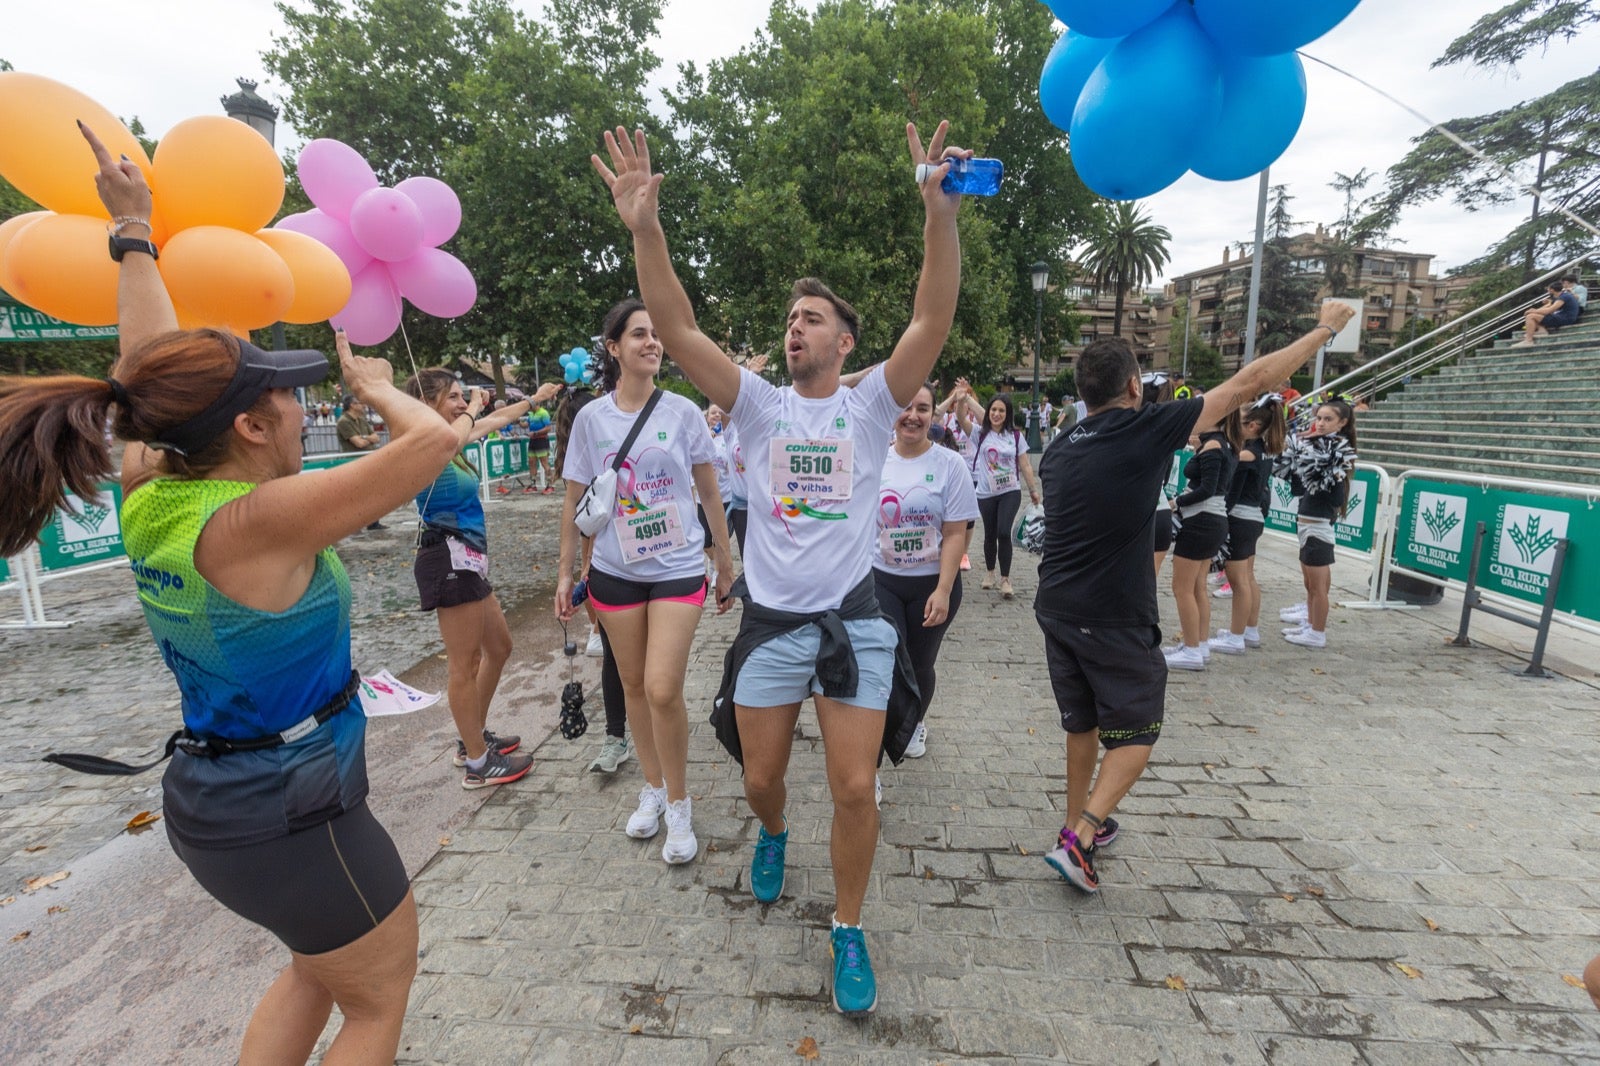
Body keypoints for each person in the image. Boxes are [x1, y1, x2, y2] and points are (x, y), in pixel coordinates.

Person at [0, 126, 467, 1063]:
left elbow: (144, 372)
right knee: (375, 1002)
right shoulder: (259, 522)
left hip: (221, 802)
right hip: (296, 808)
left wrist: (133, 234)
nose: (305, 407)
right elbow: (433, 447)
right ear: (254, 426)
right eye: (290, 397)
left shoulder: (152, 491)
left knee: (312, 971)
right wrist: (377, 389)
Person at [593, 119, 963, 1016]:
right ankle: (771, 832)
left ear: (843, 341)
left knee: (853, 784)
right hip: (771, 624)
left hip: (857, 621)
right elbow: (675, 326)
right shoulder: (755, 405)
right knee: (761, 779)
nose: (795, 328)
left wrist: (938, 213)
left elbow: (933, 313)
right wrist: (646, 229)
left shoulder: (874, 403)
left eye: (812, 319)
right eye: (790, 319)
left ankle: (846, 927)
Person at [1034, 301, 1355, 895]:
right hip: (1113, 613)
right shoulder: (1143, 426)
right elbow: (1252, 383)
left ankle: (1074, 825)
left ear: (1082, 390)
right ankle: (1079, 839)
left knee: (1080, 723)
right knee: (1137, 733)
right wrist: (1326, 328)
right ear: (1134, 386)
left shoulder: (1059, 445)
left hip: (1056, 606)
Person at [555, 298, 735, 865]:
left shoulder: (682, 413)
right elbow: (574, 501)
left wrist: (725, 562)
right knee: (632, 685)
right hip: (614, 571)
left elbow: (710, 493)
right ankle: (653, 788)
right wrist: (566, 572)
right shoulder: (590, 419)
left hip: (679, 567)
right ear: (613, 348)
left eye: (656, 335)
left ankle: (680, 804)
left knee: (662, 687)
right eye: (639, 335)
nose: (652, 343)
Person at [404, 372, 561, 788]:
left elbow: (494, 420)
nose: (461, 402)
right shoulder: (424, 440)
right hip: (446, 555)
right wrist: (474, 406)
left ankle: (472, 737)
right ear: (426, 402)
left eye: (462, 396)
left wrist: (534, 400)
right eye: (452, 397)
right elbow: (469, 427)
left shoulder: (454, 438)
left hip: (469, 557)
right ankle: (477, 763)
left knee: (499, 646)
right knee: (465, 662)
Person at [873, 383, 978, 761]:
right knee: (886, 661)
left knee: (919, 664)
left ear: (934, 414)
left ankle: (914, 722)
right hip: (882, 579)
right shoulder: (875, 460)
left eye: (923, 408)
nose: (913, 416)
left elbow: (955, 533)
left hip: (933, 583)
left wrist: (944, 589)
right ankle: (877, 750)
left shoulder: (950, 465)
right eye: (906, 407)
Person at [554, 388, 634, 768]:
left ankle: (634, 732)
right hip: (609, 566)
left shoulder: (635, 426)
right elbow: (584, 511)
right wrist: (577, 570)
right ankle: (616, 735)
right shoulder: (588, 440)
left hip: (651, 567)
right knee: (617, 660)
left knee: (643, 667)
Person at [1208, 395, 1285, 655]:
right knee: (1248, 578)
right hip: (1252, 517)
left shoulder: (1247, 454)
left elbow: (1232, 493)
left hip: (1241, 518)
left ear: (1253, 426)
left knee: (1238, 579)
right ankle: (1248, 630)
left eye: (1239, 421)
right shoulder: (1261, 451)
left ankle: (1236, 636)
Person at [1278, 399, 1357, 649]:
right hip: (1307, 524)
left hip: (1318, 526)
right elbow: (1298, 485)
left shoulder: (1337, 453)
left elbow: (1335, 496)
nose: (1320, 423)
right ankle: (1311, 623)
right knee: (1310, 584)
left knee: (1318, 587)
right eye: (1318, 418)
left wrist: (1318, 470)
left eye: (1327, 419)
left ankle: (1317, 632)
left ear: (1342, 423)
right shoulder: (1318, 448)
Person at [1165, 419, 1236, 671]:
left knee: (1182, 588)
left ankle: (1193, 649)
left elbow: (1207, 489)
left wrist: (1176, 503)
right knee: (1197, 588)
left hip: (1202, 522)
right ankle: (1198, 644)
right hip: (1208, 521)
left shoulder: (1214, 445)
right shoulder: (1218, 444)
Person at [967, 392, 1039, 599]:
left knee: (1004, 532)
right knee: (990, 533)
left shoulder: (1015, 436)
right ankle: (990, 573)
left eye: (1001, 411)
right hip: (986, 492)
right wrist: (965, 399)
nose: (997, 414)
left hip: (1010, 491)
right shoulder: (981, 433)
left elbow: (1024, 464)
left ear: (1007, 414)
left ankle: (1005, 578)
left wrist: (1033, 489)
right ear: (988, 412)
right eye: (993, 410)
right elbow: (963, 418)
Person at [337, 394, 387, 530]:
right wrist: (366, 438)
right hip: (354, 463)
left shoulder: (362, 420)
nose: (364, 406)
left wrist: (365, 437)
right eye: (360, 403)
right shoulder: (344, 421)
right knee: (356, 495)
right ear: (352, 405)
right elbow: (358, 443)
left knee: (373, 493)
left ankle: (373, 522)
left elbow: (376, 438)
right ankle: (353, 524)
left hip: (368, 460)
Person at [1514, 281, 1580, 347]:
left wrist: (1534, 311)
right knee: (1535, 314)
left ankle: (1528, 340)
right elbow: (1546, 308)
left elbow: (1549, 310)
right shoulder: (1559, 297)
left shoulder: (1564, 297)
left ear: (1552, 290)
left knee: (1530, 317)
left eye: (1548, 289)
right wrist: (1535, 310)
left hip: (1566, 318)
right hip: (1562, 316)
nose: (1547, 290)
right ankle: (1541, 331)